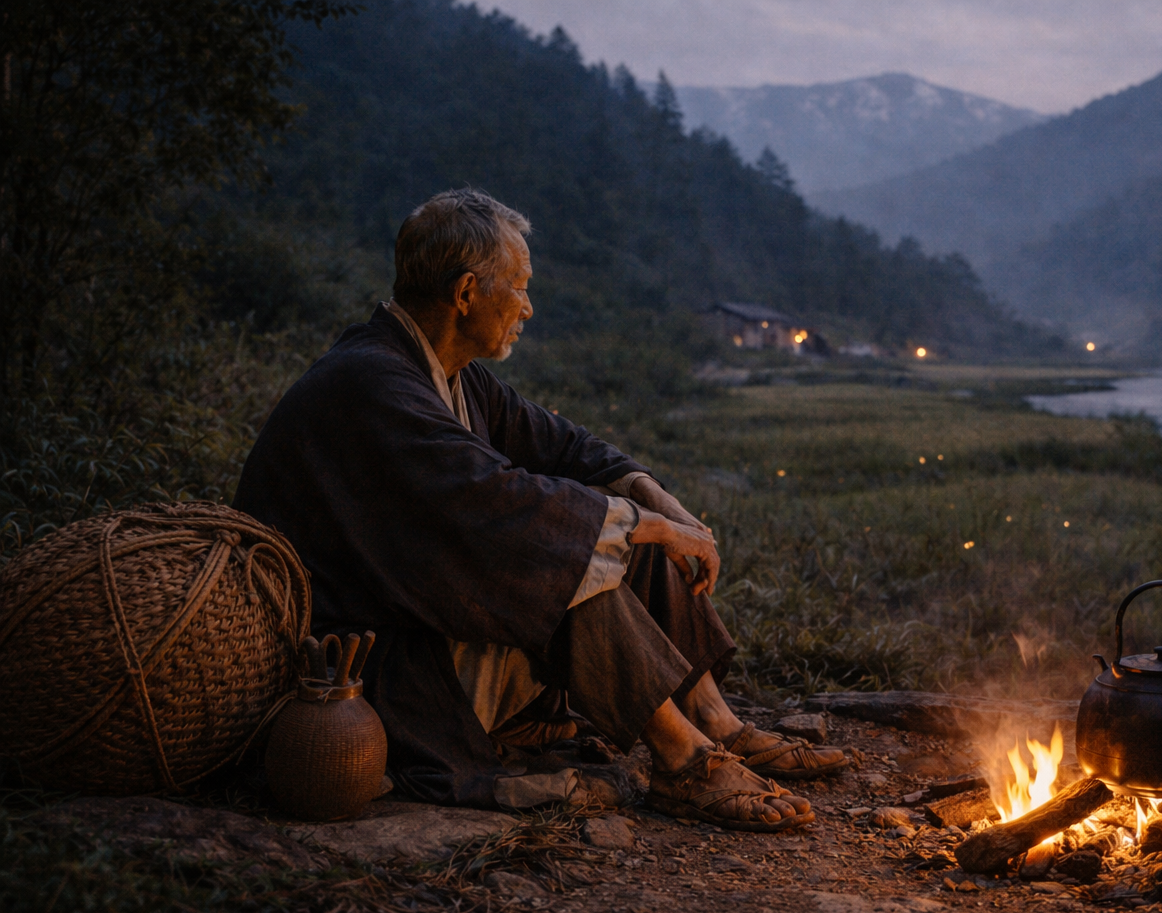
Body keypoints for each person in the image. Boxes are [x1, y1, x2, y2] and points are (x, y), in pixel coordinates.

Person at [234, 188, 846, 831]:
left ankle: (717, 724)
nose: (527, 307)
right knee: (566, 554)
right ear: (467, 293)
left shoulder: (453, 374)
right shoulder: (372, 382)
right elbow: (493, 502)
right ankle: (682, 761)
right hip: (368, 668)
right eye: (519, 287)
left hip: (423, 627)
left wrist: (651, 496)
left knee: (618, 531)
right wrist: (641, 526)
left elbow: (564, 446)